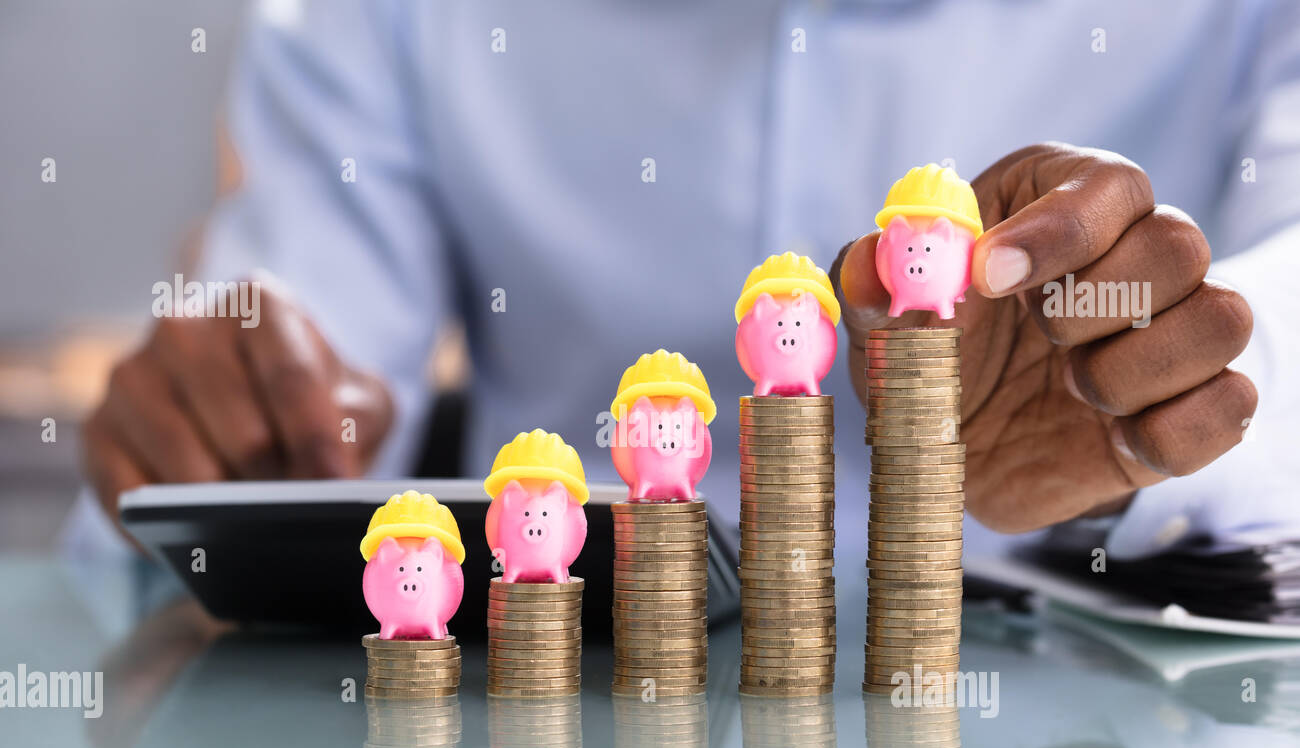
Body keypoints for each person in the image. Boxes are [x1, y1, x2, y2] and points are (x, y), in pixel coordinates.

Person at [75, 0, 1300, 559]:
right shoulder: (384, 19)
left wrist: (1146, 413)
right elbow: (294, 355)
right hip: (545, 742)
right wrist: (233, 429)